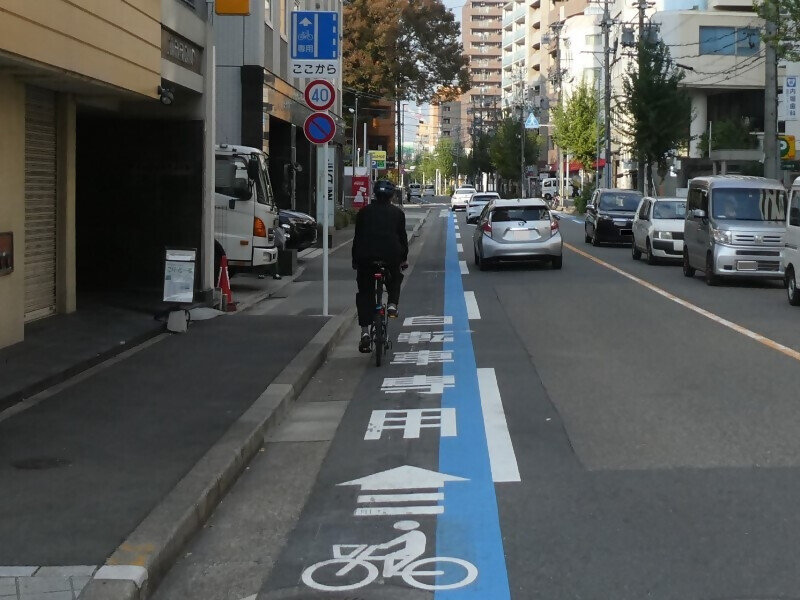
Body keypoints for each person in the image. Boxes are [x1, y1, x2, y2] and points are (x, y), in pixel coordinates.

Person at [352, 179, 408, 353]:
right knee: (395, 277)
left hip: (366, 257)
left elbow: (357, 238)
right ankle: (392, 304)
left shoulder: (363, 212)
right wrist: (403, 259)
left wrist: (355, 260)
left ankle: (364, 332)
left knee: (364, 291)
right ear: (391, 196)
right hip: (391, 256)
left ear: (375, 194)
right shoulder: (398, 214)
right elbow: (402, 238)